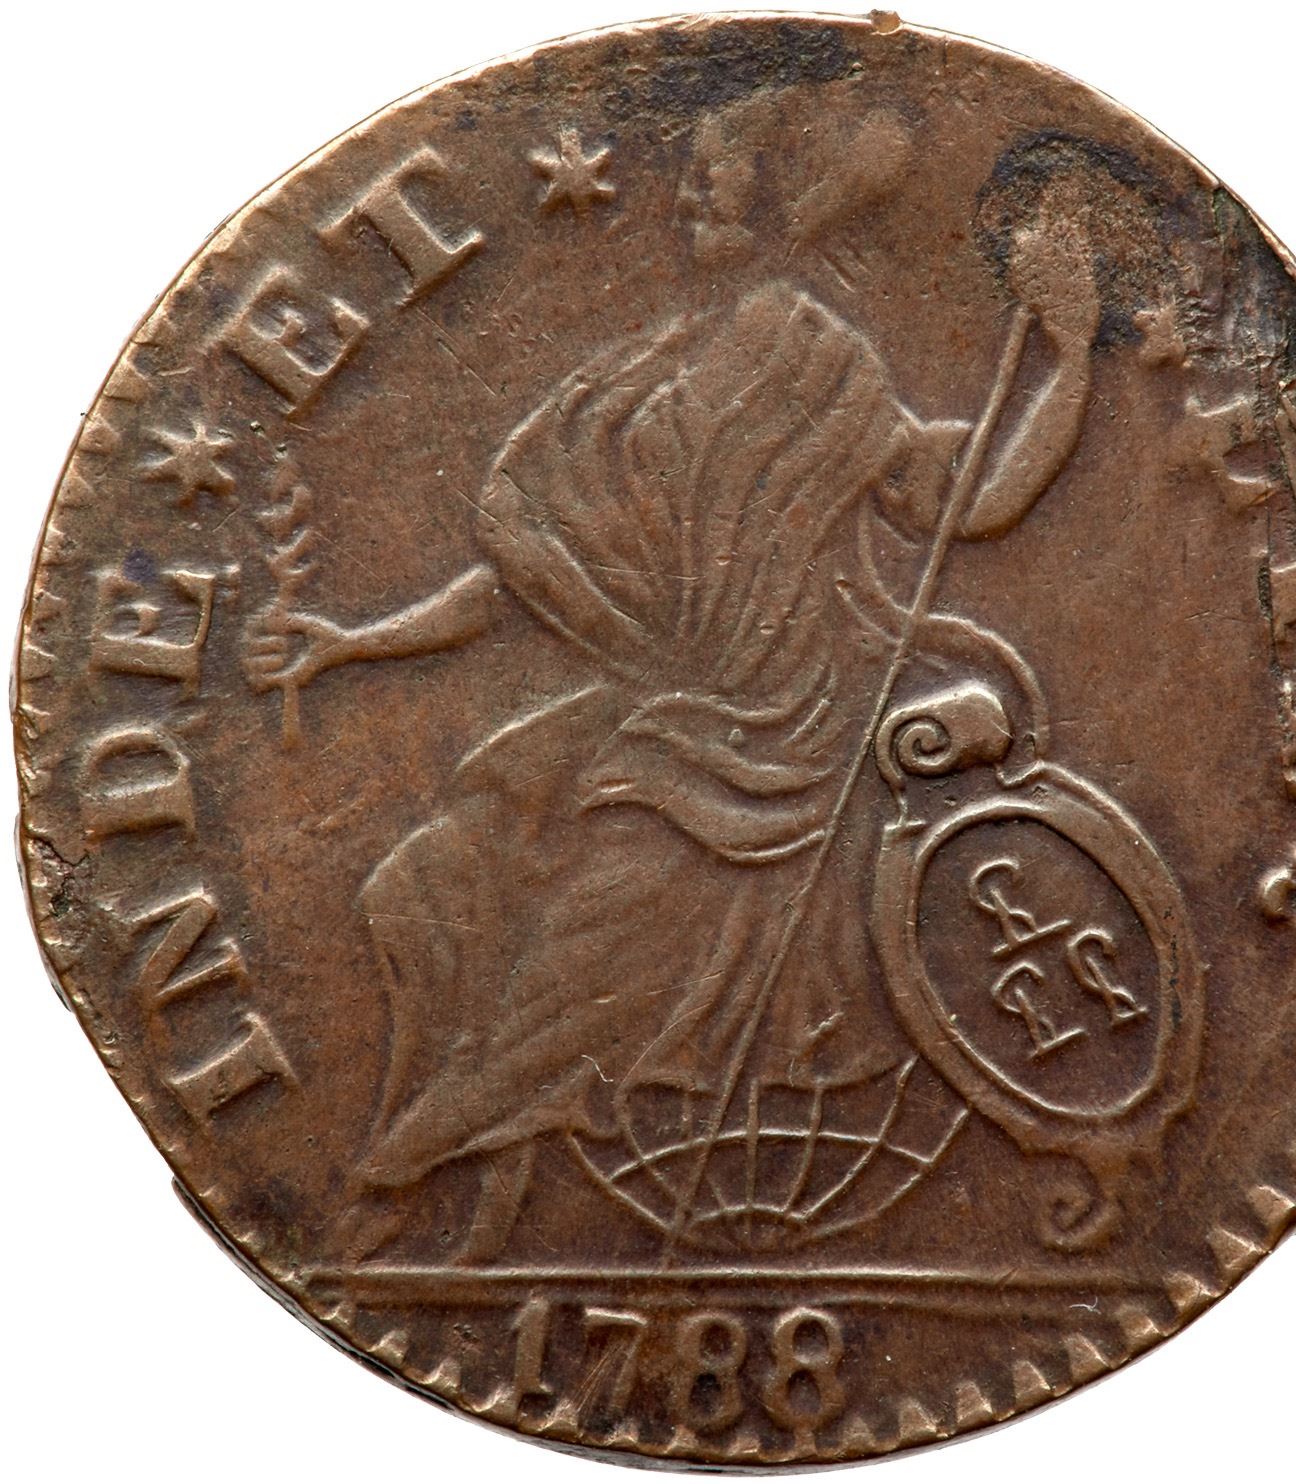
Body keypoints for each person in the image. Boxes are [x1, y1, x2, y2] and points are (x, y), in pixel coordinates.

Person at [244, 89, 1099, 1260]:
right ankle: (474, 1196)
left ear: (778, 209)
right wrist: (346, 641)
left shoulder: (820, 364)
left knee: (567, 972)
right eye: (695, 174)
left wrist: (1069, 353)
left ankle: (391, 1180)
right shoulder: (644, 371)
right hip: (654, 720)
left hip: (778, 743)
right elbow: (526, 578)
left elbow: (978, 501)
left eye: (714, 179)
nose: (689, 195)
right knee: (421, 885)